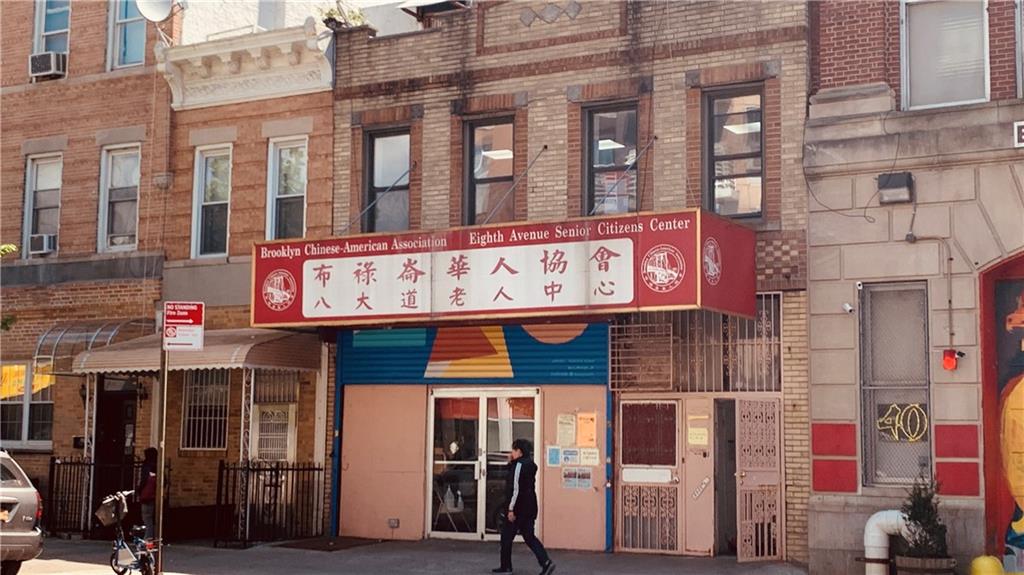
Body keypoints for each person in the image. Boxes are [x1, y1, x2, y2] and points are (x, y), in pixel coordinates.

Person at [494, 439, 555, 575]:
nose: (511, 453)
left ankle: (506, 567)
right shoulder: (530, 465)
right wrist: (511, 463)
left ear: (519, 452)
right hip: (530, 505)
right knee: (529, 536)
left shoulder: (519, 466)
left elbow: (515, 488)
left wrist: (511, 509)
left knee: (506, 536)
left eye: (513, 450)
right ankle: (545, 561)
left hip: (519, 507)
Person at [137, 447, 158, 540]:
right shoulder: (158, 465)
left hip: (147, 496)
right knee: (152, 518)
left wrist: (139, 490)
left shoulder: (146, 466)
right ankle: (153, 536)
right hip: (155, 496)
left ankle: (148, 537)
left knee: (147, 517)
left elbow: (144, 480)